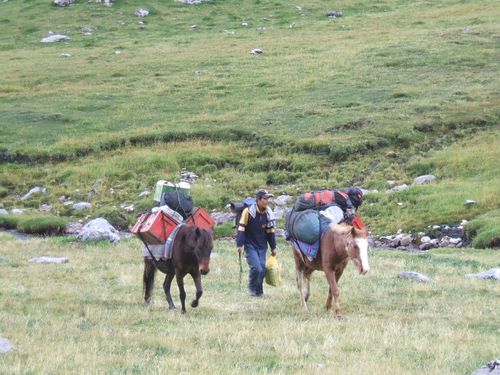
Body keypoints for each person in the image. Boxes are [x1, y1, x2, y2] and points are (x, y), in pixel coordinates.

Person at [236, 189, 278, 297]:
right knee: (256, 268)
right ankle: (251, 289)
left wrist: (273, 247)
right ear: (258, 200)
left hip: (262, 246)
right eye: (265, 198)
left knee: (262, 270)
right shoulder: (248, 212)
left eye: (268, 198)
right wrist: (240, 244)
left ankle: (259, 292)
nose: (267, 201)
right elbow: (241, 228)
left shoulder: (268, 213)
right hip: (250, 245)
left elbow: (270, 232)